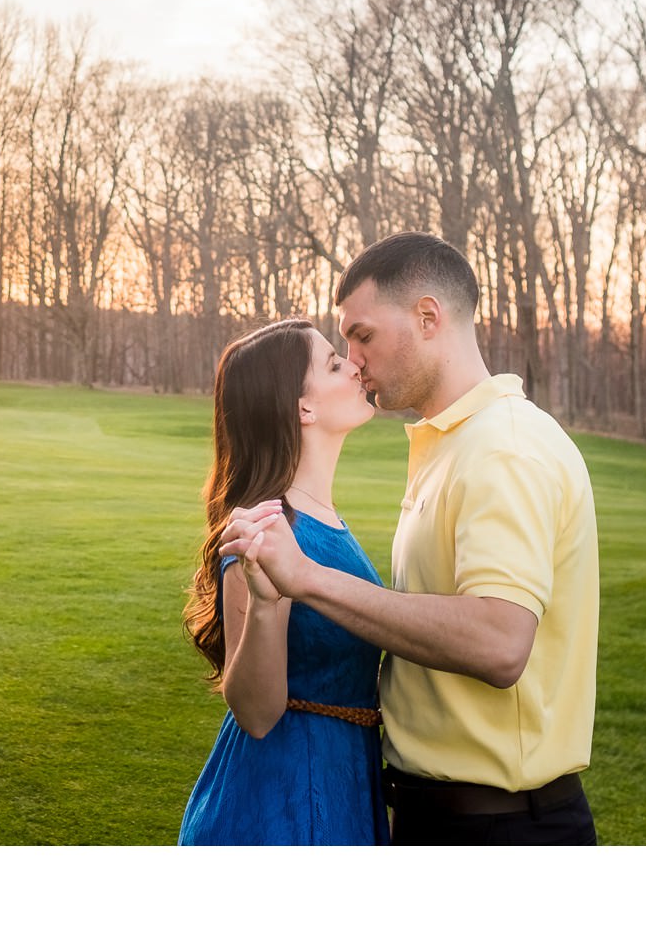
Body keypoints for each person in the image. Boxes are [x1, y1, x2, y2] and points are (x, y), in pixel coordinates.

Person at [221, 232, 600, 846]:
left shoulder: (501, 447)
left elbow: (501, 644)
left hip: (497, 829)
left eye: (362, 336)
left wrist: (310, 582)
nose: (355, 360)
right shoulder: (449, 445)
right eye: (341, 348)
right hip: (418, 811)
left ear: (428, 317)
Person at [178, 318, 389, 845]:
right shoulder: (267, 529)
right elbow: (254, 711)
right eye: (335, 364)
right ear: (303, 408)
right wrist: (268, 606)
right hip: (282, 802)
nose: (355, 364)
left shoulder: (324, 519)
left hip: (342, 781)